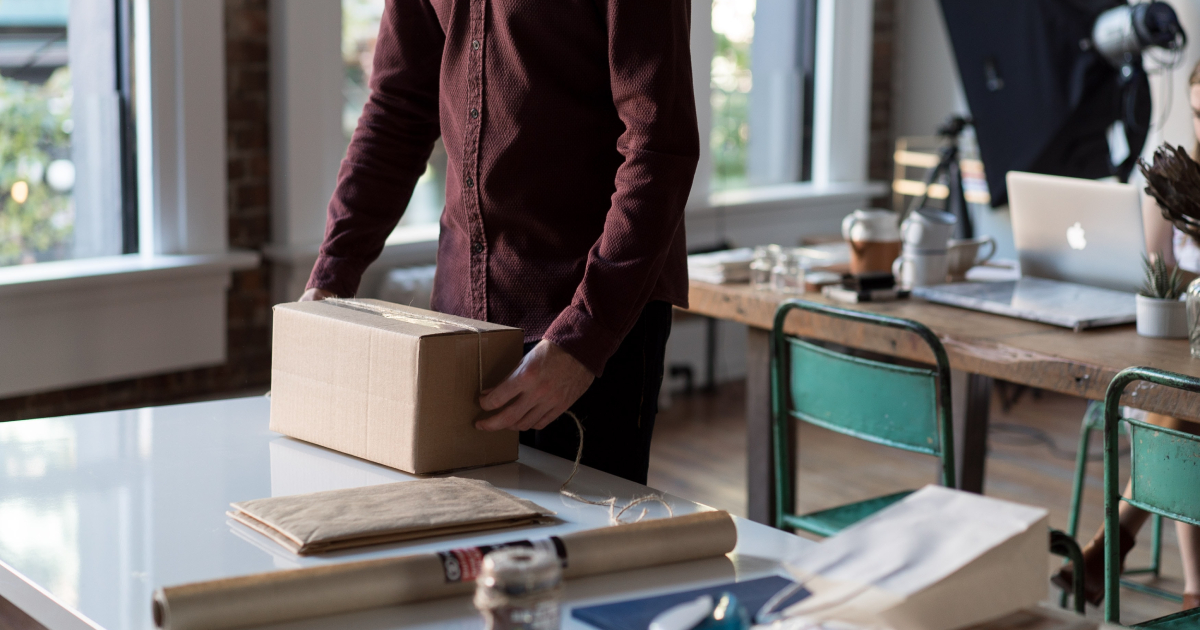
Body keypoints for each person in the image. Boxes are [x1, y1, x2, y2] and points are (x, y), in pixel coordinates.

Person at [299, 1, 699, 486]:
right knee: (463, 542)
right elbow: (397, 111)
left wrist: (584, 338)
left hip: (589, 316)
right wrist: (329, 279)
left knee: (579, 551)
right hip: (459, 319)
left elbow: (659, 146)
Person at [1053, 60, 1200, 612]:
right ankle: (1192, 590)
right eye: (1196, 114)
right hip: (1177, 351)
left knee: (1182, 406)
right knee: (1178, 401)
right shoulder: (1179, 182)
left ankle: (1111, 547)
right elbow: (1155, 276)